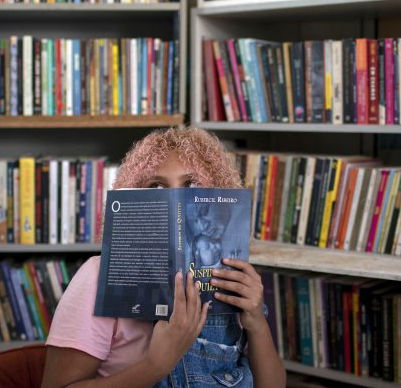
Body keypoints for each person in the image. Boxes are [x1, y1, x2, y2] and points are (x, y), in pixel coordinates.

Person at [41, 127, 286, 388]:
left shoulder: (232, 276)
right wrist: (156, 365)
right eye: (156, 186)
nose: (174, 199)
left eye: (191, 185)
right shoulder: (97, 277)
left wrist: (257, 321)